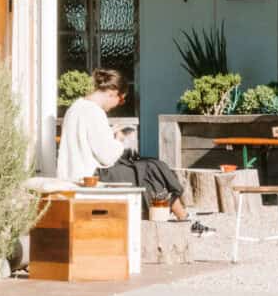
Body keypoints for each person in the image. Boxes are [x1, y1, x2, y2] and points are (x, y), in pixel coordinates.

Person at [58, 69, 211, 233]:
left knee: (149, 166)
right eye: (121, 99)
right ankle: (182, 217)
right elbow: (107, 157)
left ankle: (181, 216)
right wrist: (119, 140)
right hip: (91, 176)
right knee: (151, 169)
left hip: (77, 173)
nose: (118, 104)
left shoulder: (76, 107)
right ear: (113, 93)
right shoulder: (94, 112)